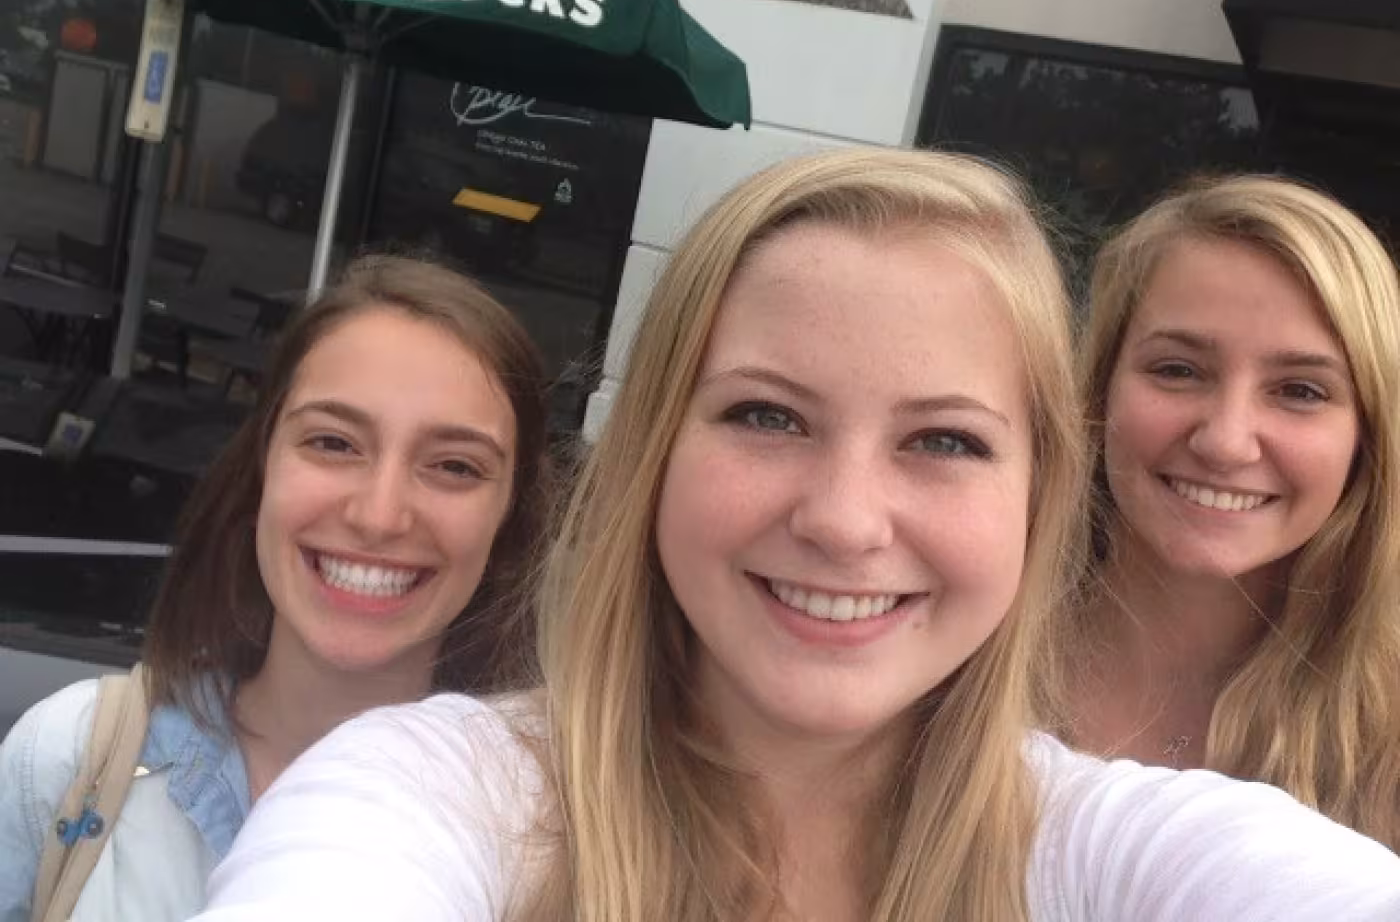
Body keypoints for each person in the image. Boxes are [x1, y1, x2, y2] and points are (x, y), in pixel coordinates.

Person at [192, 151, 1400, 922]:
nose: (838, 517)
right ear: (651, 452)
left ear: (1038, 489)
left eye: (943, 441)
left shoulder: (1109, 847)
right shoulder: (432, 792)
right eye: (765, 416)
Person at [0, 254, 552, 921]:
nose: (379, 516)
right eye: (334, 443)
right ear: (263, 465)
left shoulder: (549, 854)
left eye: (455, 466)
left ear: (510, 517)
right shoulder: (70, 759)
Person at [1059, 175, 1400, 849]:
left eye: (1300, 390)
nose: (1225, 441)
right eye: (1178, 370)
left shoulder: (1386, 739)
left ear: (1368, 435)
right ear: (1100, 388)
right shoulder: (962, 653)